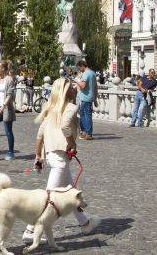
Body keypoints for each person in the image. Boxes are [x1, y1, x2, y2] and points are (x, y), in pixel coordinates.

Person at [22, 78, 101, 244]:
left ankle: (85, 223)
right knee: (48, 198)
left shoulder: (51, 108)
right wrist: (72, 143)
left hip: (52, 156)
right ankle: (30, 230)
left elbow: (40, 135)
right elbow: (65, 126)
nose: (75, 88)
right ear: (66, 91)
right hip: (60, 159)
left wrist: (38, 156)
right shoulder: (71, 107)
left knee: (71, 193)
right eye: (72, 87)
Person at [75, 60, 97, 140]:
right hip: (90, 97)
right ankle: (85, 132)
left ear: (82, 66)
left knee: (85, 116)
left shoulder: (85, 74)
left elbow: (83, 86)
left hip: (85, 98)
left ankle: (88, 134)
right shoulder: (93, 73)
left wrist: (77, 81)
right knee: (85, 115)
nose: (79, 70)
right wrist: (95, 98)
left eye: (79, 68)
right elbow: (95, 87)